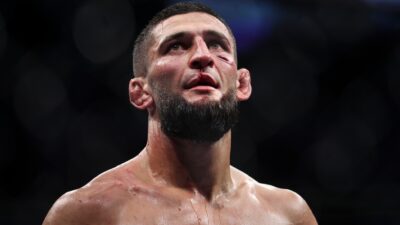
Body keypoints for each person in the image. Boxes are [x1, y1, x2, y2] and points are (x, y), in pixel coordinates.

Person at [43, 2, 318, 224]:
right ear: (140, 92)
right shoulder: (90, 211)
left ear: (242, 84)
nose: (202, 56)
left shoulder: (287, 215)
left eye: (217, 45)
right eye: (176, 45)